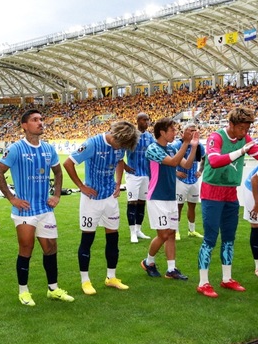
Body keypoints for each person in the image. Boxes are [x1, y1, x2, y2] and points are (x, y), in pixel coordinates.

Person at [197, 107, 258, 298]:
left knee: (229, 238)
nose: (244, 133)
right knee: (210, 238)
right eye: (241, 128)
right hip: (212, 191)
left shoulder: (245, 139)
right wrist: (241, 151)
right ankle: (203, 282)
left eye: (247, 129)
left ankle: (227, 278)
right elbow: (214, 161)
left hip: (230, 192)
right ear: (230, 124)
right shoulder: (217, 137)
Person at [0, 108, 74, 306]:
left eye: (41, 119)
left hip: (45, 209)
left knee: (50, 248)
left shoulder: (48, 149)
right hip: (25, 210)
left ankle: (53, 289)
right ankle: (24, 291)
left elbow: (59, 173)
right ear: (24, 125)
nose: (40, 122)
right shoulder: (16, 148)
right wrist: (12, 199)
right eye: (35, 120)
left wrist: (56, 195)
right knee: (26, 248)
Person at [63, 120, 138, 295]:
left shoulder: (121, 145)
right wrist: (82, 186)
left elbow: (120, 162)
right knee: (87, 240)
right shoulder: (92, 143)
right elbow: (68, 163)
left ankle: (111, 277)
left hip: (110, 198)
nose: (121, 148)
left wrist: (118, 183)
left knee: (113, 239)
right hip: (91, 200)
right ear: (115, 136)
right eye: (120, 144)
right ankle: (85, 281)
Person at [138, 118, 199, 281]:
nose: (174, 133)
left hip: (170, 197)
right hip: (157, 196)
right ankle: (148, 261)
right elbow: (173, 163)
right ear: (162, 132)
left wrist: (192, 146)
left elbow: (186, 165)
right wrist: (185, 143)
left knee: (171, 233)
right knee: (164, 234)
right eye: (172, 130)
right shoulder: (153, 149)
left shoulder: (171, 149)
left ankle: (171, 269)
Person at [123, 113, 154, 243]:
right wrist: (125, 166)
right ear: (138, 121)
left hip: (145, 174)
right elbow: (118, 152)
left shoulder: (149, 137)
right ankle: (132, 233)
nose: (147, 122)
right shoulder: (130, 135)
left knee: (142, 202)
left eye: (148, 120)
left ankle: (138, 230)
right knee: (132, 203)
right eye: (144, 120)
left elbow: (153, 154)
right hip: (133, 175)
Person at [173, 125, 205, 241]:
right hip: (180, 181)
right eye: (191, 130)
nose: (193, 133)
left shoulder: (199, 146)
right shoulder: (177, 144)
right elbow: (168, 159)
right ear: (184, 132)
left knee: (192, 206)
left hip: (193, 180)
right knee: (178, 206)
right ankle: (175, 231)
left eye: (195, 130)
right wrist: (176, 172)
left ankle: (191, 230)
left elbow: (204, 158)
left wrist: (200, 171)